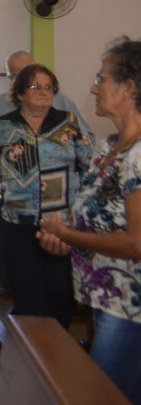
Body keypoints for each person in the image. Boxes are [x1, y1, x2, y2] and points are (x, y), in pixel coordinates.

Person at [37, 37, 141, 402]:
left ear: (129, 88)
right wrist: (64, 235)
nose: (93, 88)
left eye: (101, 79)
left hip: (131, 306)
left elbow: (136, 242)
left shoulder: (139, 154)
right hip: (105, 298)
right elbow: (93, 218)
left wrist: (71, 235)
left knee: (98, 397)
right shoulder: (109, 147)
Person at [0, 63, 93, 326]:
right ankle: (31, 356)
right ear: (19, 94)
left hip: (61, 224)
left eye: (48, 87)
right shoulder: (3, 127)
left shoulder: (69, 123)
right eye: (35, 86)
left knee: (61, 295)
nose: (43, 92)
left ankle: (56, 358)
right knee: (27, 296)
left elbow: (92, 164)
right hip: (18, 222)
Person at [0, 50, 94, 195]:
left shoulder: (60, 103)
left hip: (60, 200)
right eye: (15, 76)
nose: (23, 80)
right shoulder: (0, 111)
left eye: (28, 74)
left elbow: (89, 147)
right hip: (16, 202)